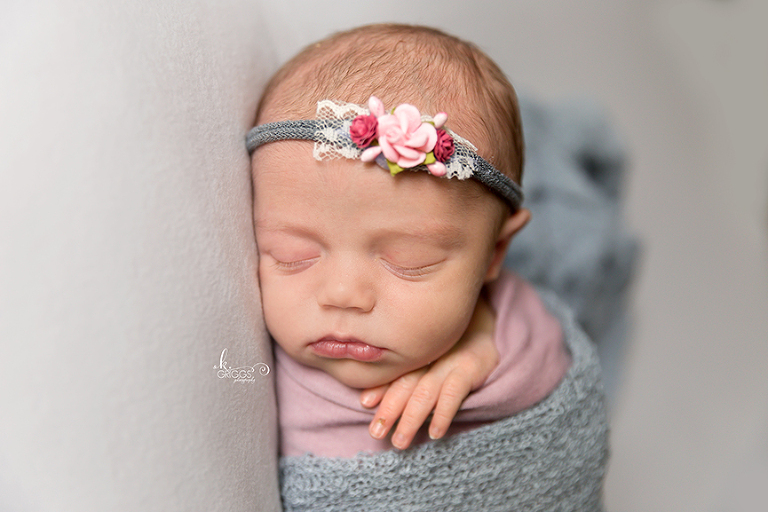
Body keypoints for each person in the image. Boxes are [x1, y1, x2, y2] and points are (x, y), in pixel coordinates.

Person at [248, 24, 573, 458]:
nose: (344, 295)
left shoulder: (512, 321)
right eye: (294, 255)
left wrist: (481, 345)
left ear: (495, 252)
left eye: (410, 260)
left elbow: (552, 357)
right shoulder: (245, 368)